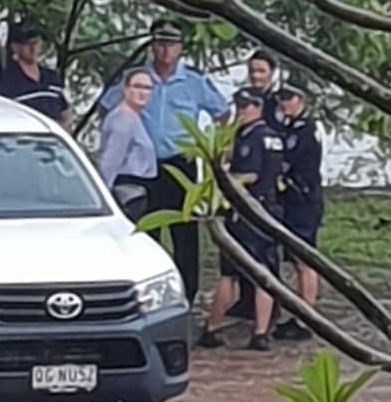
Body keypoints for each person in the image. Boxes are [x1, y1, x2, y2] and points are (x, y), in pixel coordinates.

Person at [100, 18, 229, 304]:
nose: (165, 51)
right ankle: (149, 296)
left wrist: (214, 150)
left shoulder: (194, 81)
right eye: (160, 44)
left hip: (180, 164)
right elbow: (107, 107)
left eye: (171, 45)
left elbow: (221, 112)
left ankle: (186, 295)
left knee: (185, 234)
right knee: (146, 232)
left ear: (180, 49)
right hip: (143, 168)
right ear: (152, 46)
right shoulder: (136, 79)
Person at [199, 87, 285, 352]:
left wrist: (225, 179)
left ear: (258, 108)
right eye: (238, 106)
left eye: (246, 106)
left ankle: (258, 332)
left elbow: (253, 175)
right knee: (232, 273)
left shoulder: (257, 137)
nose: (240, 111)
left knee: (256, 273)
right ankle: (218, 328)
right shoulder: (250, 135)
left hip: (252, 210)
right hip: (255, 210)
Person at [228, 49, 283, 320]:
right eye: (252, 71)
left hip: (267, 181)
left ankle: (272, 304)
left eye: (261, 71)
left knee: (266, 251)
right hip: (243, 182)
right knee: (242, 247)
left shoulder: (277, 102)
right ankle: (246, 298)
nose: (256, 76)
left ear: (272, 73)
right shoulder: (245, 101)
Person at [273, 84, 324, 342]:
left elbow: (290, 160)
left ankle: (307, 319)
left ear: (301, 99)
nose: (283, 103)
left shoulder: (305, 130)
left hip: (303, 200)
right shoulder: (291, 127)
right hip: (293, 200)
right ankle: (300, 314)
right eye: (280, 98)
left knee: (304, 261)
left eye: (288, 98)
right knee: (295, 260)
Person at [0, 20, 70, 127]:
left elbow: (65, 115)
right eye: (27, 44)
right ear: (15, 47)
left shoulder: (52, 78)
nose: (33, 48)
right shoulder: (5, 83)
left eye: (36, 43)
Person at [97, 69, 156, 190]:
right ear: (125, 89)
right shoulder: (123, 120)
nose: (142, 92)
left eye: (147, 88)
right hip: (126, 188)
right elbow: (109, 162)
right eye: (137, 86)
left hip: (138, 186)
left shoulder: (134, 117)